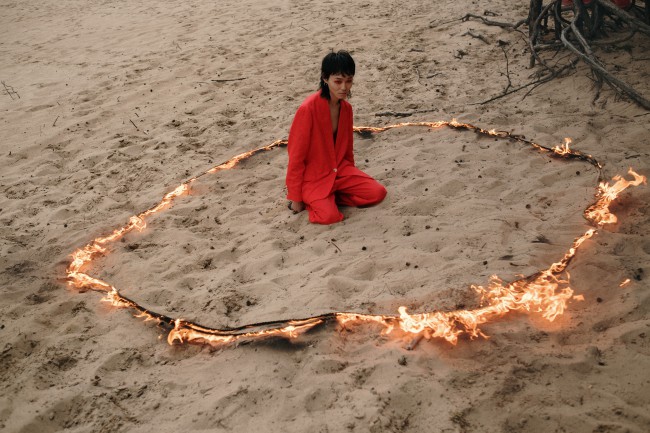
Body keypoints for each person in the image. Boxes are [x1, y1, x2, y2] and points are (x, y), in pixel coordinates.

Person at [285, 50, 387, 225]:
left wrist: (351, 174)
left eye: (349, 81)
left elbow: (347, 149)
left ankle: (330, 195)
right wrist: (295, 198)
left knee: (378, 193)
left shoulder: (346, 109)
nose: (344, 87)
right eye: (338, 81)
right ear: (325, 79)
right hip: (315, 175)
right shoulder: (308, 109)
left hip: (340, 170)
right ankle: (318, 198)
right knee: (329, 217)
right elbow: (296, 156)